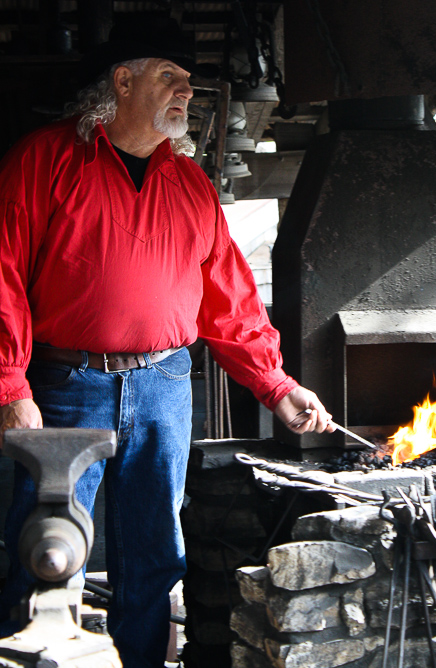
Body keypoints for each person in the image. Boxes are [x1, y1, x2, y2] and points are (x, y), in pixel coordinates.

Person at [0, 16, 334, 668]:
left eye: (188, 81)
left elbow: (230, 303)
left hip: (164, 389)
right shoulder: (43, 160)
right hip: (67, 390)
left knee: (154, 558)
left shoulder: (190, 187)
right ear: (123, 81)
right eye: (170, 78)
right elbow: (2, 276)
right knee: (42, 551)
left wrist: (277, 385)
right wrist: (10, 386)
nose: (187, 91)